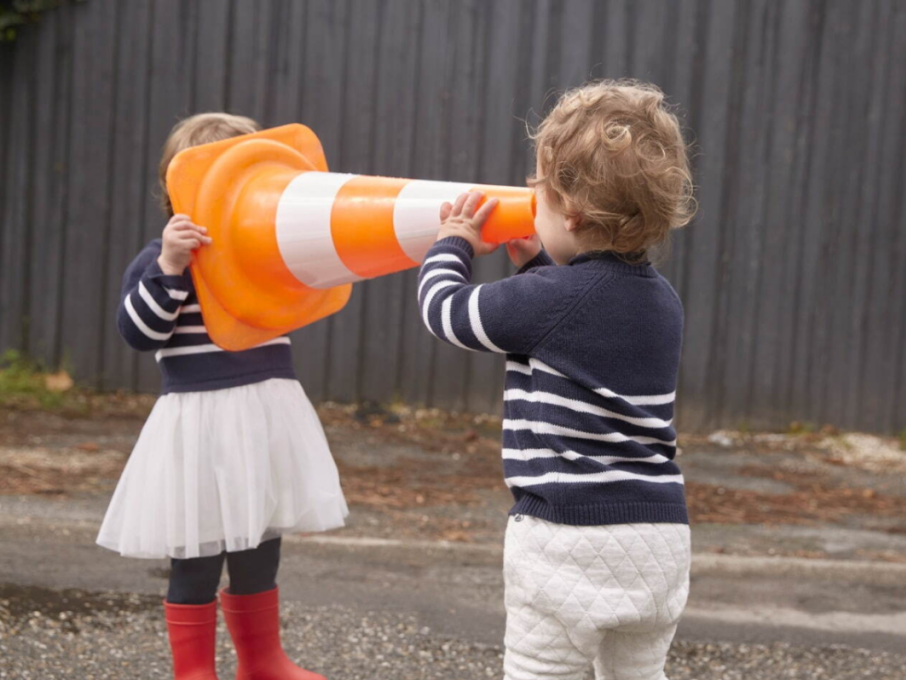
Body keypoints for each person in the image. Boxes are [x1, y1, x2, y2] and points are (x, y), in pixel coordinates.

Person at [417, 80, 695, 680]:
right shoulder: (663, 302)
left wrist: (452, 246)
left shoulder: (549, 300)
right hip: (660, 539)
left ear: (569, 212)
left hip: (569, 537)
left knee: (542, 672)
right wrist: (538, 267)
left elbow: (444, 313)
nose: (528, 197)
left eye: (536, 189)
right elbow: (585, 320)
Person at [97, 112, 348, 680]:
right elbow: (138, 333)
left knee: (262, 544)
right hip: (200, 424)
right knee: (196, 557)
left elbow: (317, 287)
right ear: (178, 189)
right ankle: (193, 672)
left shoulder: (265, 258)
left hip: (265, 413)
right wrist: (169, 267)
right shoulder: (159, 260)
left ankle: (263, 661)